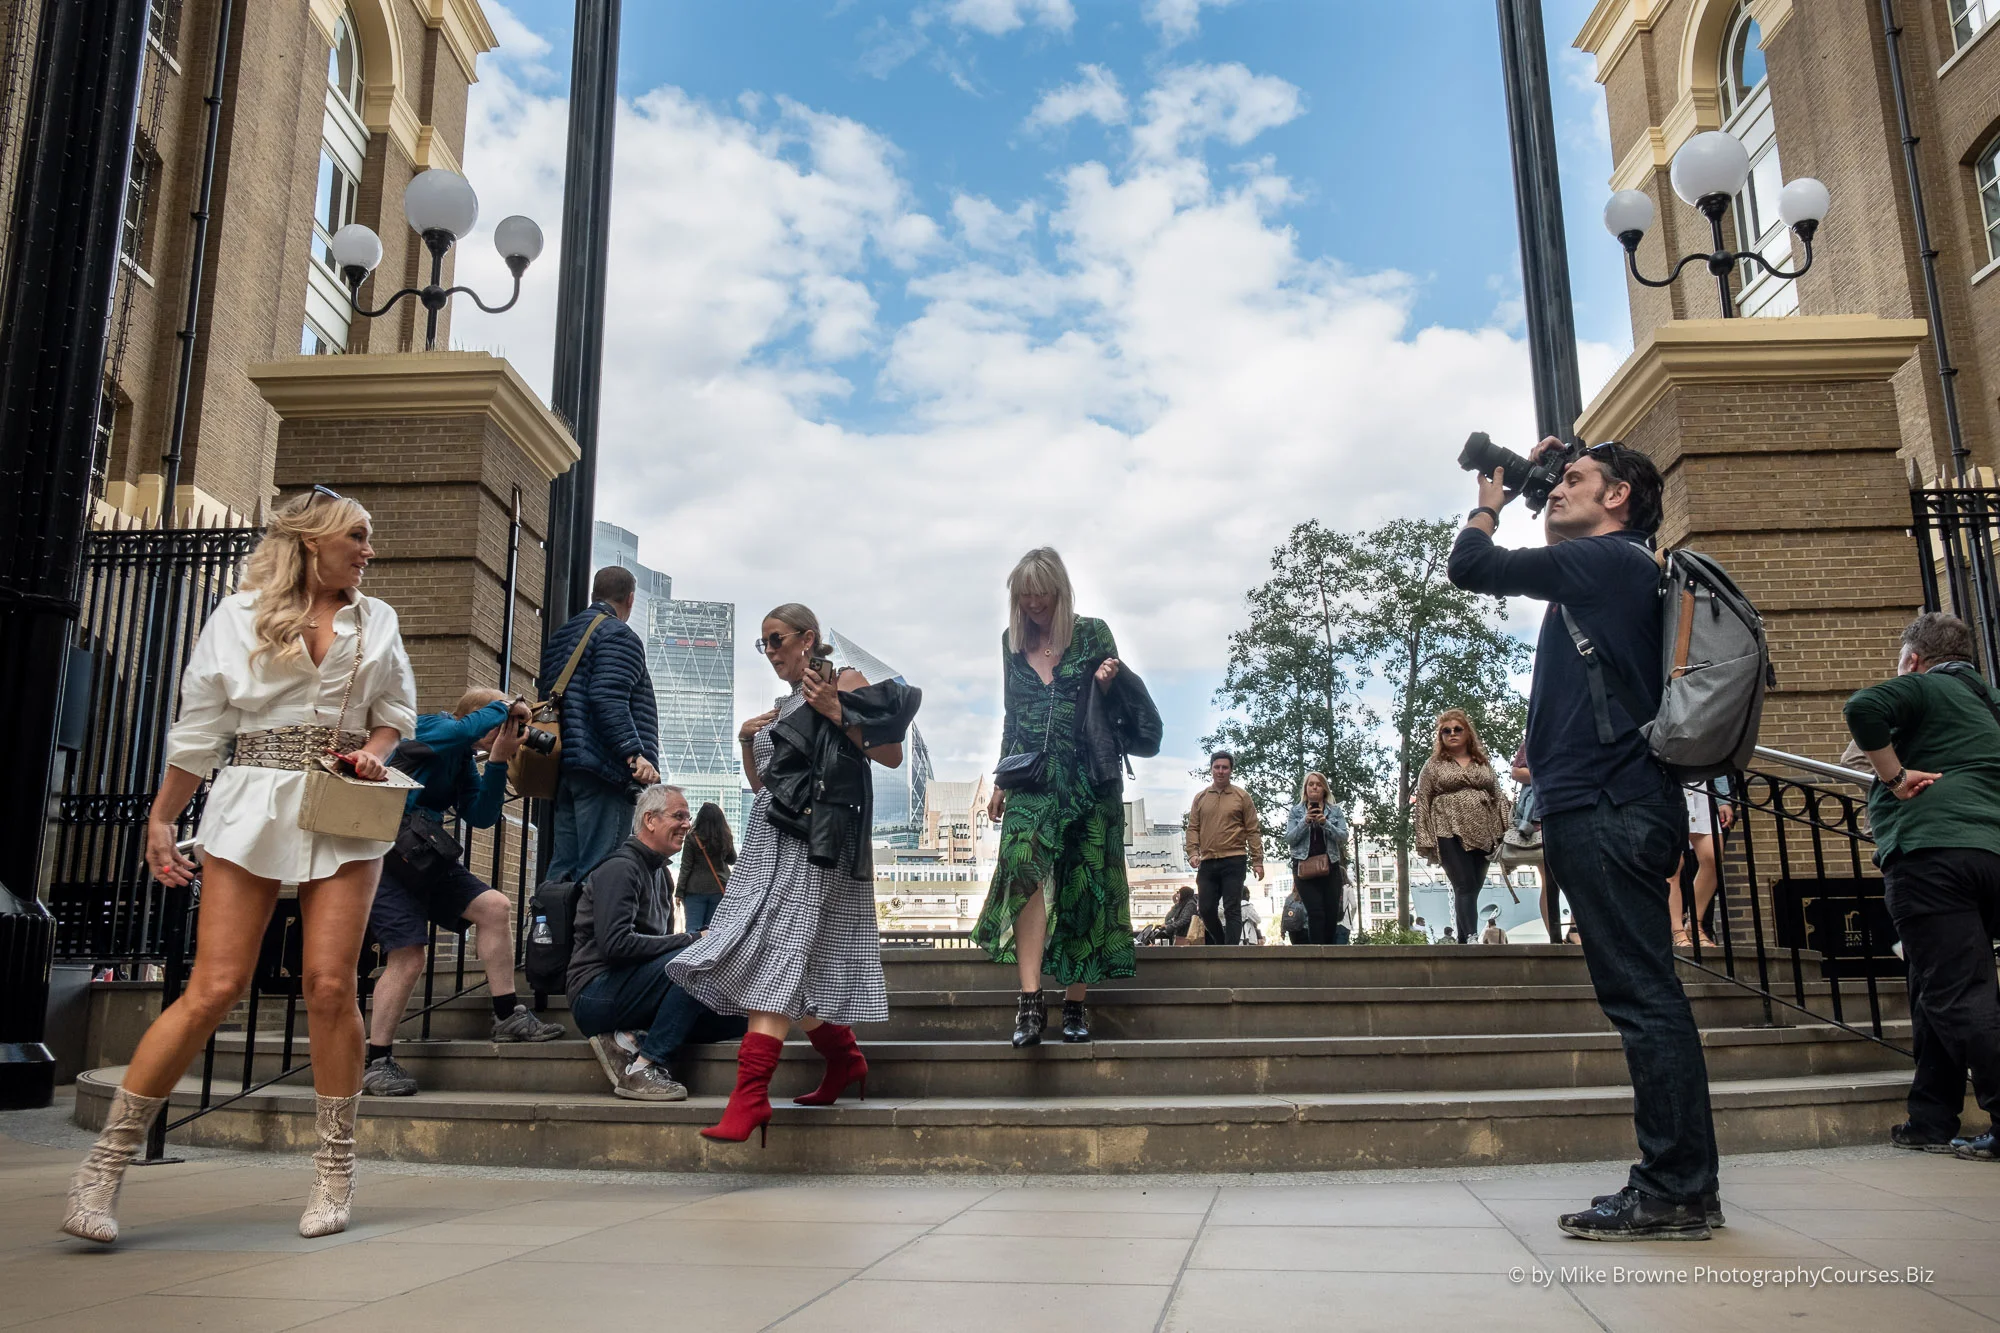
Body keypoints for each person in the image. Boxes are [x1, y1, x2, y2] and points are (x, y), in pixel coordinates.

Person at [63, 489, 416, 1245]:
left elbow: (396, 715)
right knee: (214, 986)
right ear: (312, 540)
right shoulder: (237, 614)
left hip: (347, 803)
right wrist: (162, 816)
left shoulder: (377, 618)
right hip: (252, 797)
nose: (368, 549)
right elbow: (200, 730)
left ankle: (334, 1167)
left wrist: (374, 753)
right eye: (357, 536)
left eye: (370, 538)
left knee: (329, 984)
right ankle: (104, 1165)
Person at [1450, 435, 1718, 1242]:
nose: (1555, 490)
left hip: (1608, 806)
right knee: (1647, 996)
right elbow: (1567, 512)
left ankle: (1672, 1187)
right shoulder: (1621, 567)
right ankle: (1683, 1185)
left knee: (1644, 999)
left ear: (1619, 499)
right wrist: (1561, 468)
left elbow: (1474, 566)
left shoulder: (1609, 565)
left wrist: (1491, 504)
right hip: (1611, 804)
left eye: (1576, 481)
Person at [667, 603, 920, 1144]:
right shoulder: (781, 705)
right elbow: (763, 788)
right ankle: (845, 1060)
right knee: (789, 964)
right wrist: (744, 740)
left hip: (817, 843)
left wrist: (836, 709)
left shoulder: (842, 680)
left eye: (777, 639)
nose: (770, 651)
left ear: (809, 638)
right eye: (764, 644)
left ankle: (750, 1095)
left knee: (778, 953)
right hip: (768, 844)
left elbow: (893, 753)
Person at [1842, 612, 2000, 1161]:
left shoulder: (1926, 685)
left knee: (1959, 991)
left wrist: (1893, 777)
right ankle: (1930, 1118)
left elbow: (1862, 708)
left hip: (1934, 857)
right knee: (1937, 984)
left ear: (1913, 659)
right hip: (1991, 852)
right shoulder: (1988, 699)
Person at [361, 689, 563, 1097]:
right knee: (409, 956)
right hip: (385, 855)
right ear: (480, 718)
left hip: (425, 855)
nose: (514, 732)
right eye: (508, 726)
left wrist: (500, 760)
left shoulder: (465, 759)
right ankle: (377, 1061)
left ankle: (507, 1016)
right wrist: (504, 710)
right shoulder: (432, 726)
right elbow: (460, 730)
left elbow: (483, 816)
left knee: (494, 907)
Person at [973, 549, 1135, 1046]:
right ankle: (1029, 1003)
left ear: (1060, 592)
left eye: (1042, 595)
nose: (1033, 604)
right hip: (1032, 779)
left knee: (1083, 886)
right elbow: (1012, 714)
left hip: (1088, 778)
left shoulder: (1093, 634)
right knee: (1022, 869)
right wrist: (1001, 780)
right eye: (1025, 596)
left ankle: (1075, 1004)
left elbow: (1119, 708)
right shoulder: (1011, 642)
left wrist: (1107, 685)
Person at [568, 785, 747, 1100]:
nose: (687, 824)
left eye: (688, 817)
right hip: (595, 994)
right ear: (649, 820)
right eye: (678, 816)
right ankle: (643, 1067)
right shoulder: (621, 868)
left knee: (738, 1019)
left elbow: (658, 948)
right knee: (694, 957)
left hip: (634, 991)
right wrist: (693, 939)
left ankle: (635, 1038)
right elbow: (615, 946)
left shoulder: (661, 876)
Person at [540, 565, 661, 884]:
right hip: (604, 770)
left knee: (563, 867)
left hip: (568, 768)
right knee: (602, 869)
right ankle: (591, 936)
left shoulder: (564, 634)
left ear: (596, 593)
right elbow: (606, 698)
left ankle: (547, 932)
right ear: (631, 599)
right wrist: (634, 754)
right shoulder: (619, 635)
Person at [1413, 710, 1508, 946]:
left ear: (1468, 733)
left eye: (1457, 729)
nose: (1452, 734)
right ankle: (1472, 936)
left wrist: (1505, 831)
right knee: (1463, 883)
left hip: (1483, 830)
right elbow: (1423, 800)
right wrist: (1424, 837)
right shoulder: (1434, 765)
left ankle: (1465, 939)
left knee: (1473, 886)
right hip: (1447, 829)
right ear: (1440, 736)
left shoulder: (1482, 763)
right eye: (1446, 731)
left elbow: (1498, 795)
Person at [1186, 752, 1264, 947]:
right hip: (1208, 860)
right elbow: (1193, 827)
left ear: (1231, 770)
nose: (1220, 771)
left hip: (1234, 859)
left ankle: (1231, 953)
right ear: (1211, 769)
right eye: (1217, 767)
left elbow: (1253, 829)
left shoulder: (1241, 796)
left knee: (1232, 908)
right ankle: (1221, 944)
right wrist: (1193, 852)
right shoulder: (1201, 797)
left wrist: (1258, 861)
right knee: (1205, 908)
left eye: (1225, 767)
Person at [1285, 771, 1350, 944]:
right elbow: (1290, 839)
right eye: (1311, 784)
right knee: (1315, 912)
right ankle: (1316, 955)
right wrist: (1305, 822)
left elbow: (1343, 837)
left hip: (1330, 867)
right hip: (1304, 869)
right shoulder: (1296, 811)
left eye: (1318, 784)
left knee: (1330, 914)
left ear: (1324, 789)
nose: (1314, 787)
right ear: (1305, 789)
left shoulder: (1335, 811)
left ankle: (1328, 954)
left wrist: (1325, 823)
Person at [1669, 780, 1735, 949]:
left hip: (1701, 791)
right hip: (1669, 792)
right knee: (1672, 868)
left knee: (1712, 859)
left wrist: (1723, 800)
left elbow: (1714, 757)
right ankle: (1677, 931)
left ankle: (1694, 925)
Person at [678, 801, 736, 936]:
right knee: (712, 932)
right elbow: (732, 859)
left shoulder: (692, 837)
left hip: (695, 890)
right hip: (719, 889)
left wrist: (679, 892)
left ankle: (691, 956)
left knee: (693, 931)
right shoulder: (725, 836)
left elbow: (686, 867)